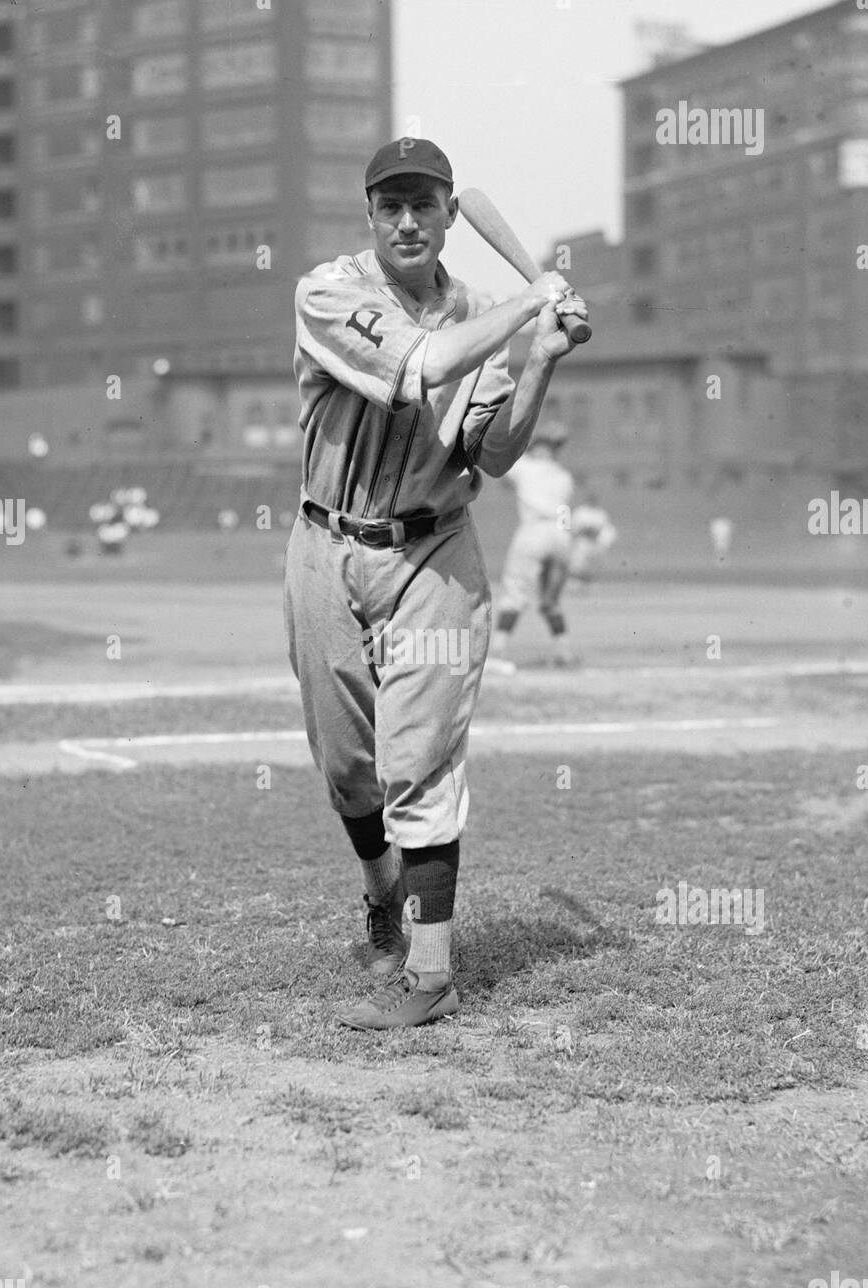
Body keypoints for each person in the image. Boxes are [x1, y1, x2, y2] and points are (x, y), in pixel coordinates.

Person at [284, 137, 590, 1029]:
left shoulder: (484, 311)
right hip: (325, 543)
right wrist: (535, 299)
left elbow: (490, 453)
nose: (408, 221)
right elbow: (422, 364)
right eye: (391, 206)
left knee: (416, 756)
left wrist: (538, 357)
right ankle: (380, 887)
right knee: (349, 771)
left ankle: (430, 973)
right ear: (371, 216)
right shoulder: (326, 292)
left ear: (451, 215)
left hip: (433, 553)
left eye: (425, 204)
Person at [489, 420, 580, 671]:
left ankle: (498, 650)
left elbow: (500, 468)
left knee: (514, 593)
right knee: (551, 601)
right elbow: (565, 512)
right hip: (561, 532)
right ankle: (564, 652)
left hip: (535, 531)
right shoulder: (564, 475)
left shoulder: (526, 467)